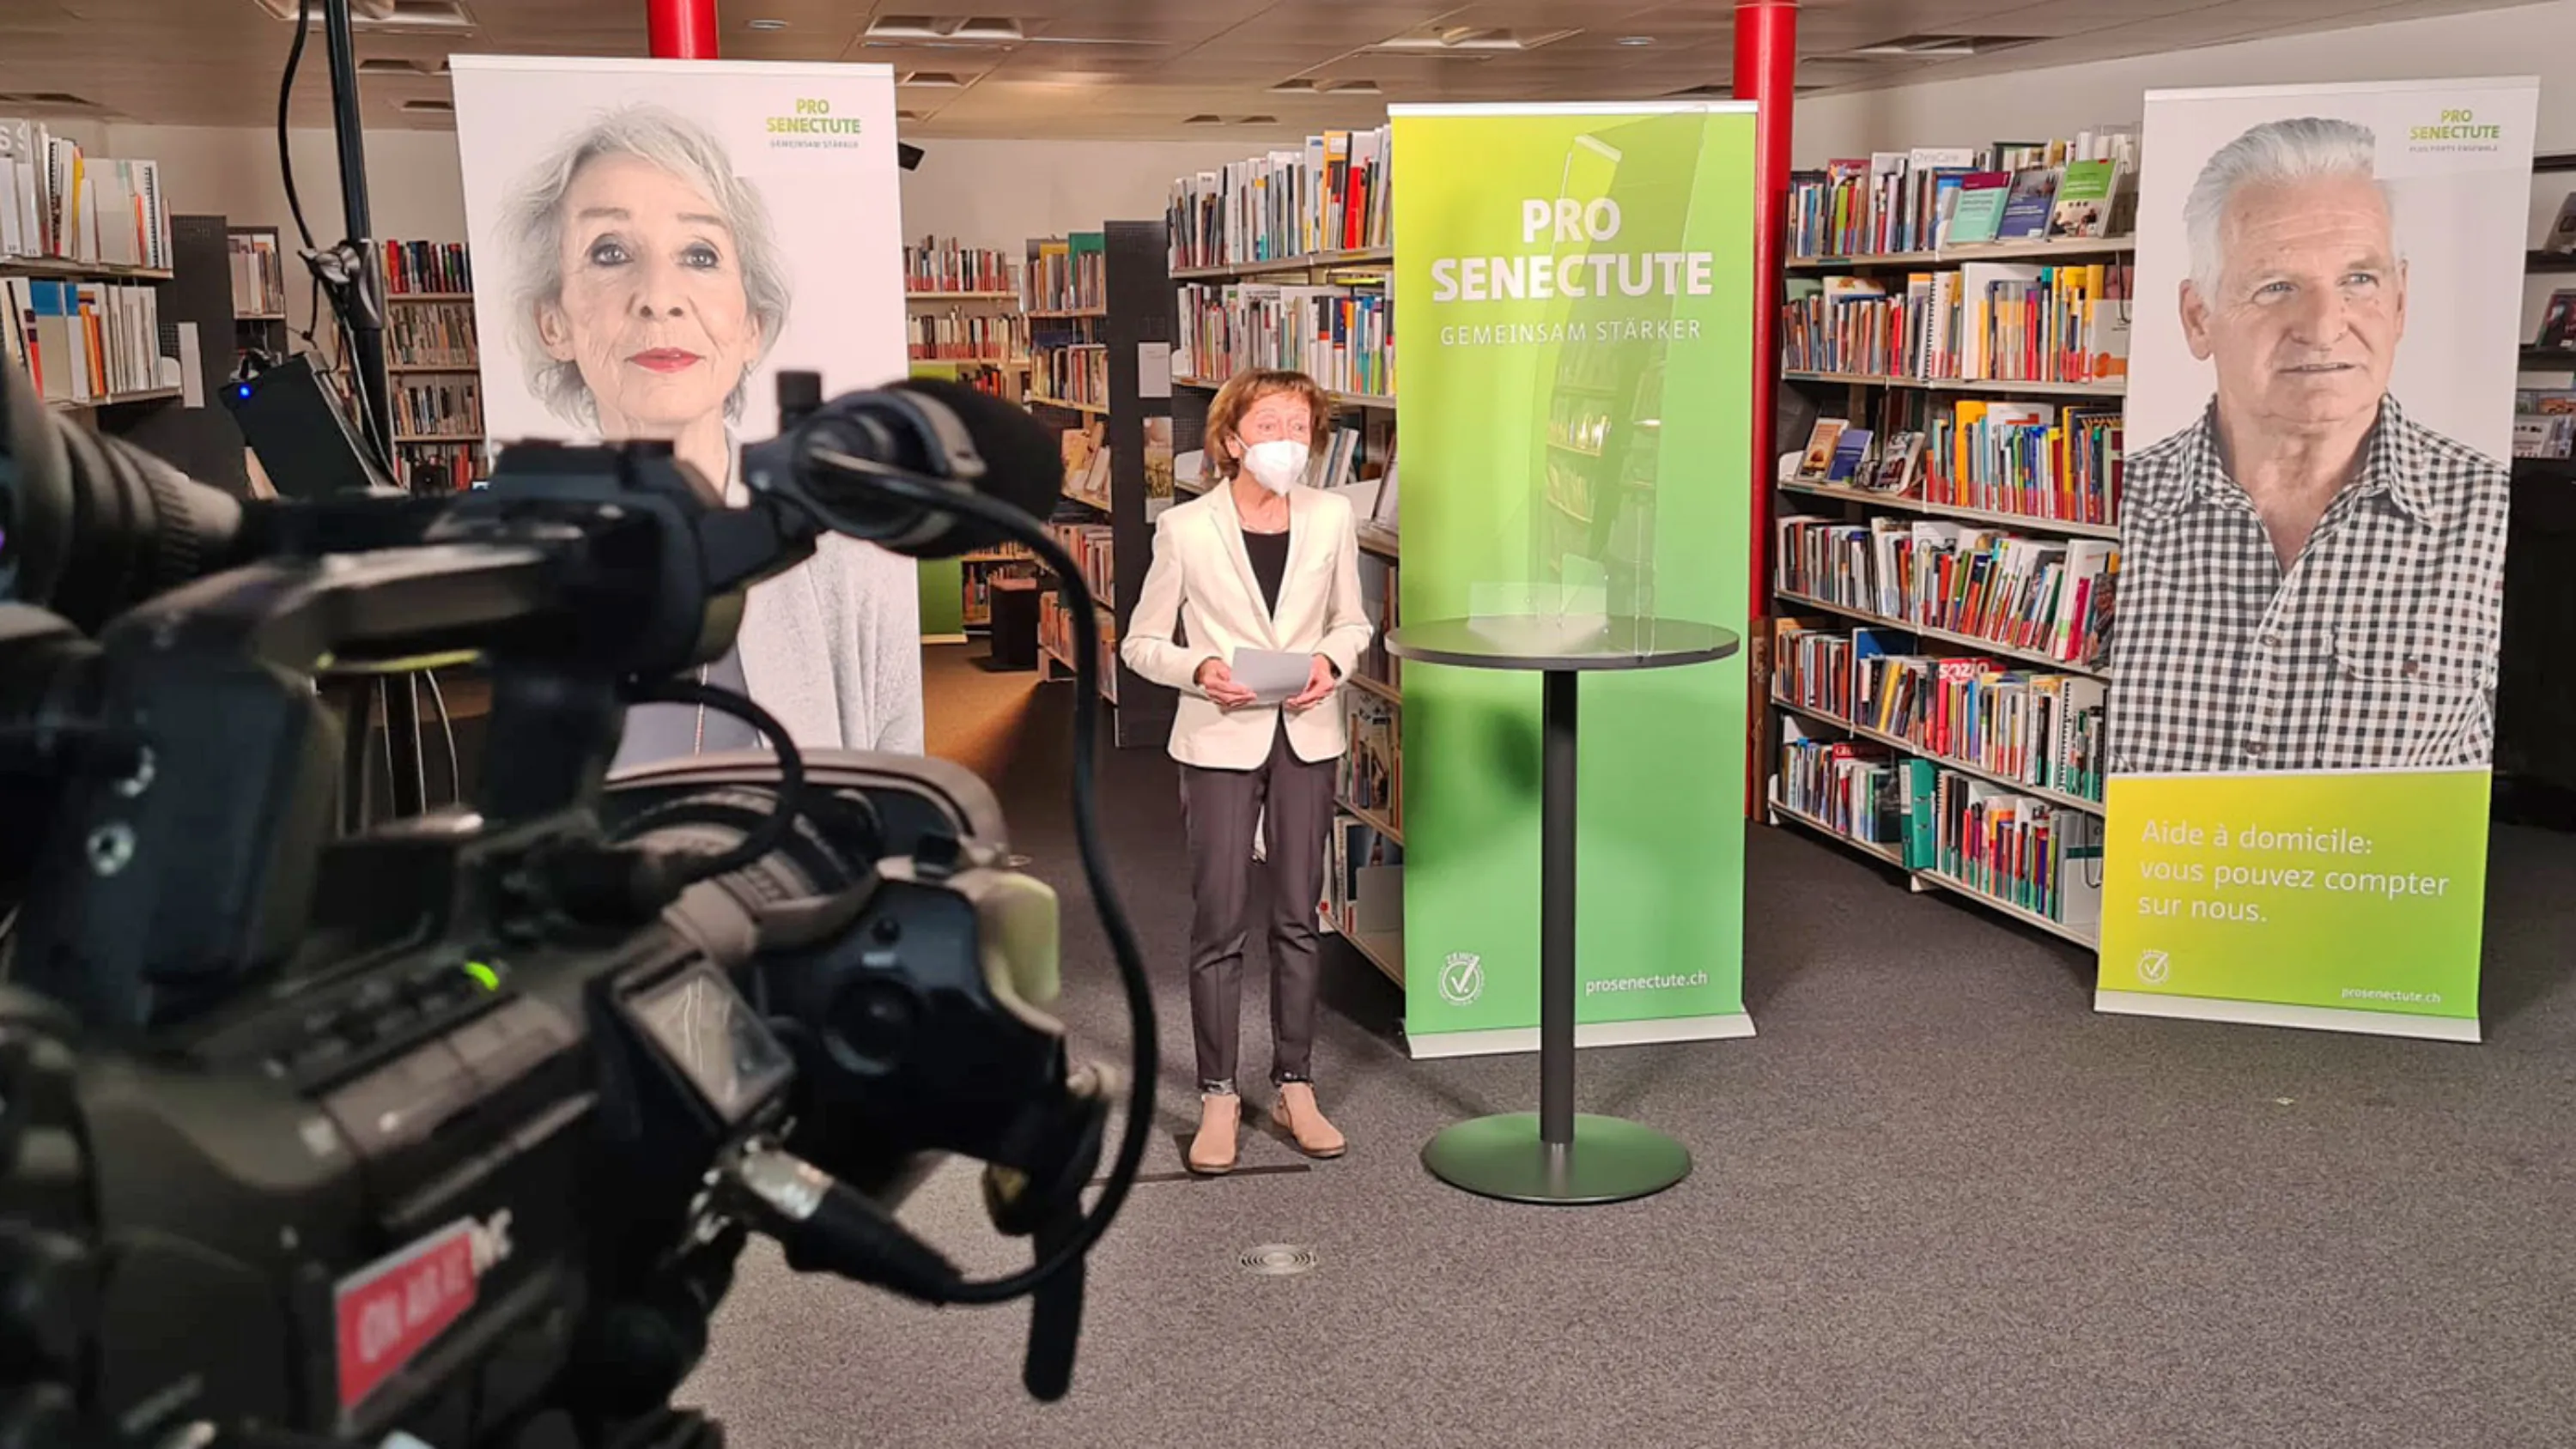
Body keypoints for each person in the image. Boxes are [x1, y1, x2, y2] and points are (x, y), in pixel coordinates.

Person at [497, 104, 922, 767]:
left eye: (699, 254)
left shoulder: (846, 553)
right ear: (554, 322)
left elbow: (894, 798)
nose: (659, 297)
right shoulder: (514, 563)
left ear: (751, 325)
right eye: (610, 252)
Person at [2109, 115, 2510, 777]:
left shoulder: (2496, 519)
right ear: (2198, 317)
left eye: (2359, 280)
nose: (2325, 329)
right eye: (2276, 287)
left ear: (2401, 302)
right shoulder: (2119, 504)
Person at [1122, 369, 1375, 1175]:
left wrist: (1333, 663)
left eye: (1300, 428)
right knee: (1220, 920)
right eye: (1270, 426)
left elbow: (1352, 619)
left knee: (1300, 917)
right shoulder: (1187, 530)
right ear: (1232, 439)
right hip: (1220, 737)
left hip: (1307, 731)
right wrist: (1199, 671)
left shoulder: (1333, 516)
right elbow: (1140, 643)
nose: (1287, 443)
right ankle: (1220, 1094)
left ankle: (1296, 1081)